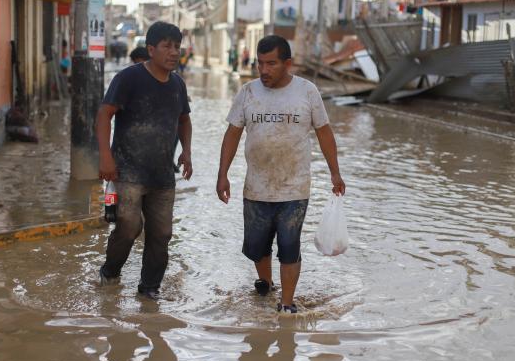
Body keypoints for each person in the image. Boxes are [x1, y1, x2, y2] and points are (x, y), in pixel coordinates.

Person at [216, 35, 345, 314]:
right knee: (257, 246)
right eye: (260, 63)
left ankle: (286, 303)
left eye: (271, 64)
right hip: (256, 186)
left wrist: (335, 173)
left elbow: (324, 132)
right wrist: (222, 174)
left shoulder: (307, 92)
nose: (264, 70)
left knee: (289, 245)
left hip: (295, 187)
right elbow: (233, 134)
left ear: (288, 63)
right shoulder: (248, 92)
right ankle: (266, 281)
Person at [96, 21, 193, 300]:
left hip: (162, 175)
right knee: (128, 227)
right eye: (167, 46)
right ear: (151, 49)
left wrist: (186, 151)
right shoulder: (129, 78)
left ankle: (149, 289)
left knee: (161, 235)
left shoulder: (177, 84)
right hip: (127, 171)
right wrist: (105, 157)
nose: (174, 52)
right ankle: (110, 272)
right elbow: (104, 115)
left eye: (177, 46)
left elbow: (184, 120)